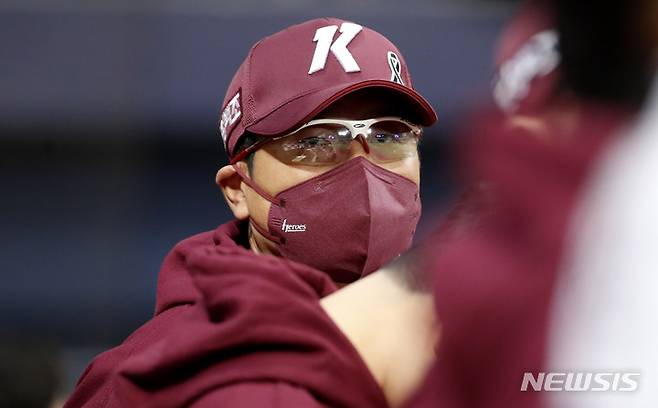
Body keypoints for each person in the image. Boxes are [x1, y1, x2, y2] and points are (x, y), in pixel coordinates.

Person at [64, 17, 436, 407]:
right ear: (237, 190)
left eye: (389, 136)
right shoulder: (147, 381)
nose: (363, 166)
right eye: (314, 142)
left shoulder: (474, 334)